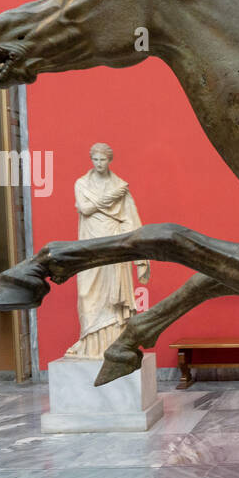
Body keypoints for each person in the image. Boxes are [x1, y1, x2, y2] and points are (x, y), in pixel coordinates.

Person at [64, 143, 150, 358]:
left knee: (114, 297)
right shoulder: (82, 183)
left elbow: (131, 218)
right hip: (90, 246)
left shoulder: (120, 185)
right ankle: (88, 341)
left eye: (103, 159)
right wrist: (110, 197)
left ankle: (114, 342)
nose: (99, 163)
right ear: (91, 159)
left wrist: (141, 254)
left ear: (110, 160)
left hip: (113, 243)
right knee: (87, 294)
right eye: (95, 159)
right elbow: (84, 209)